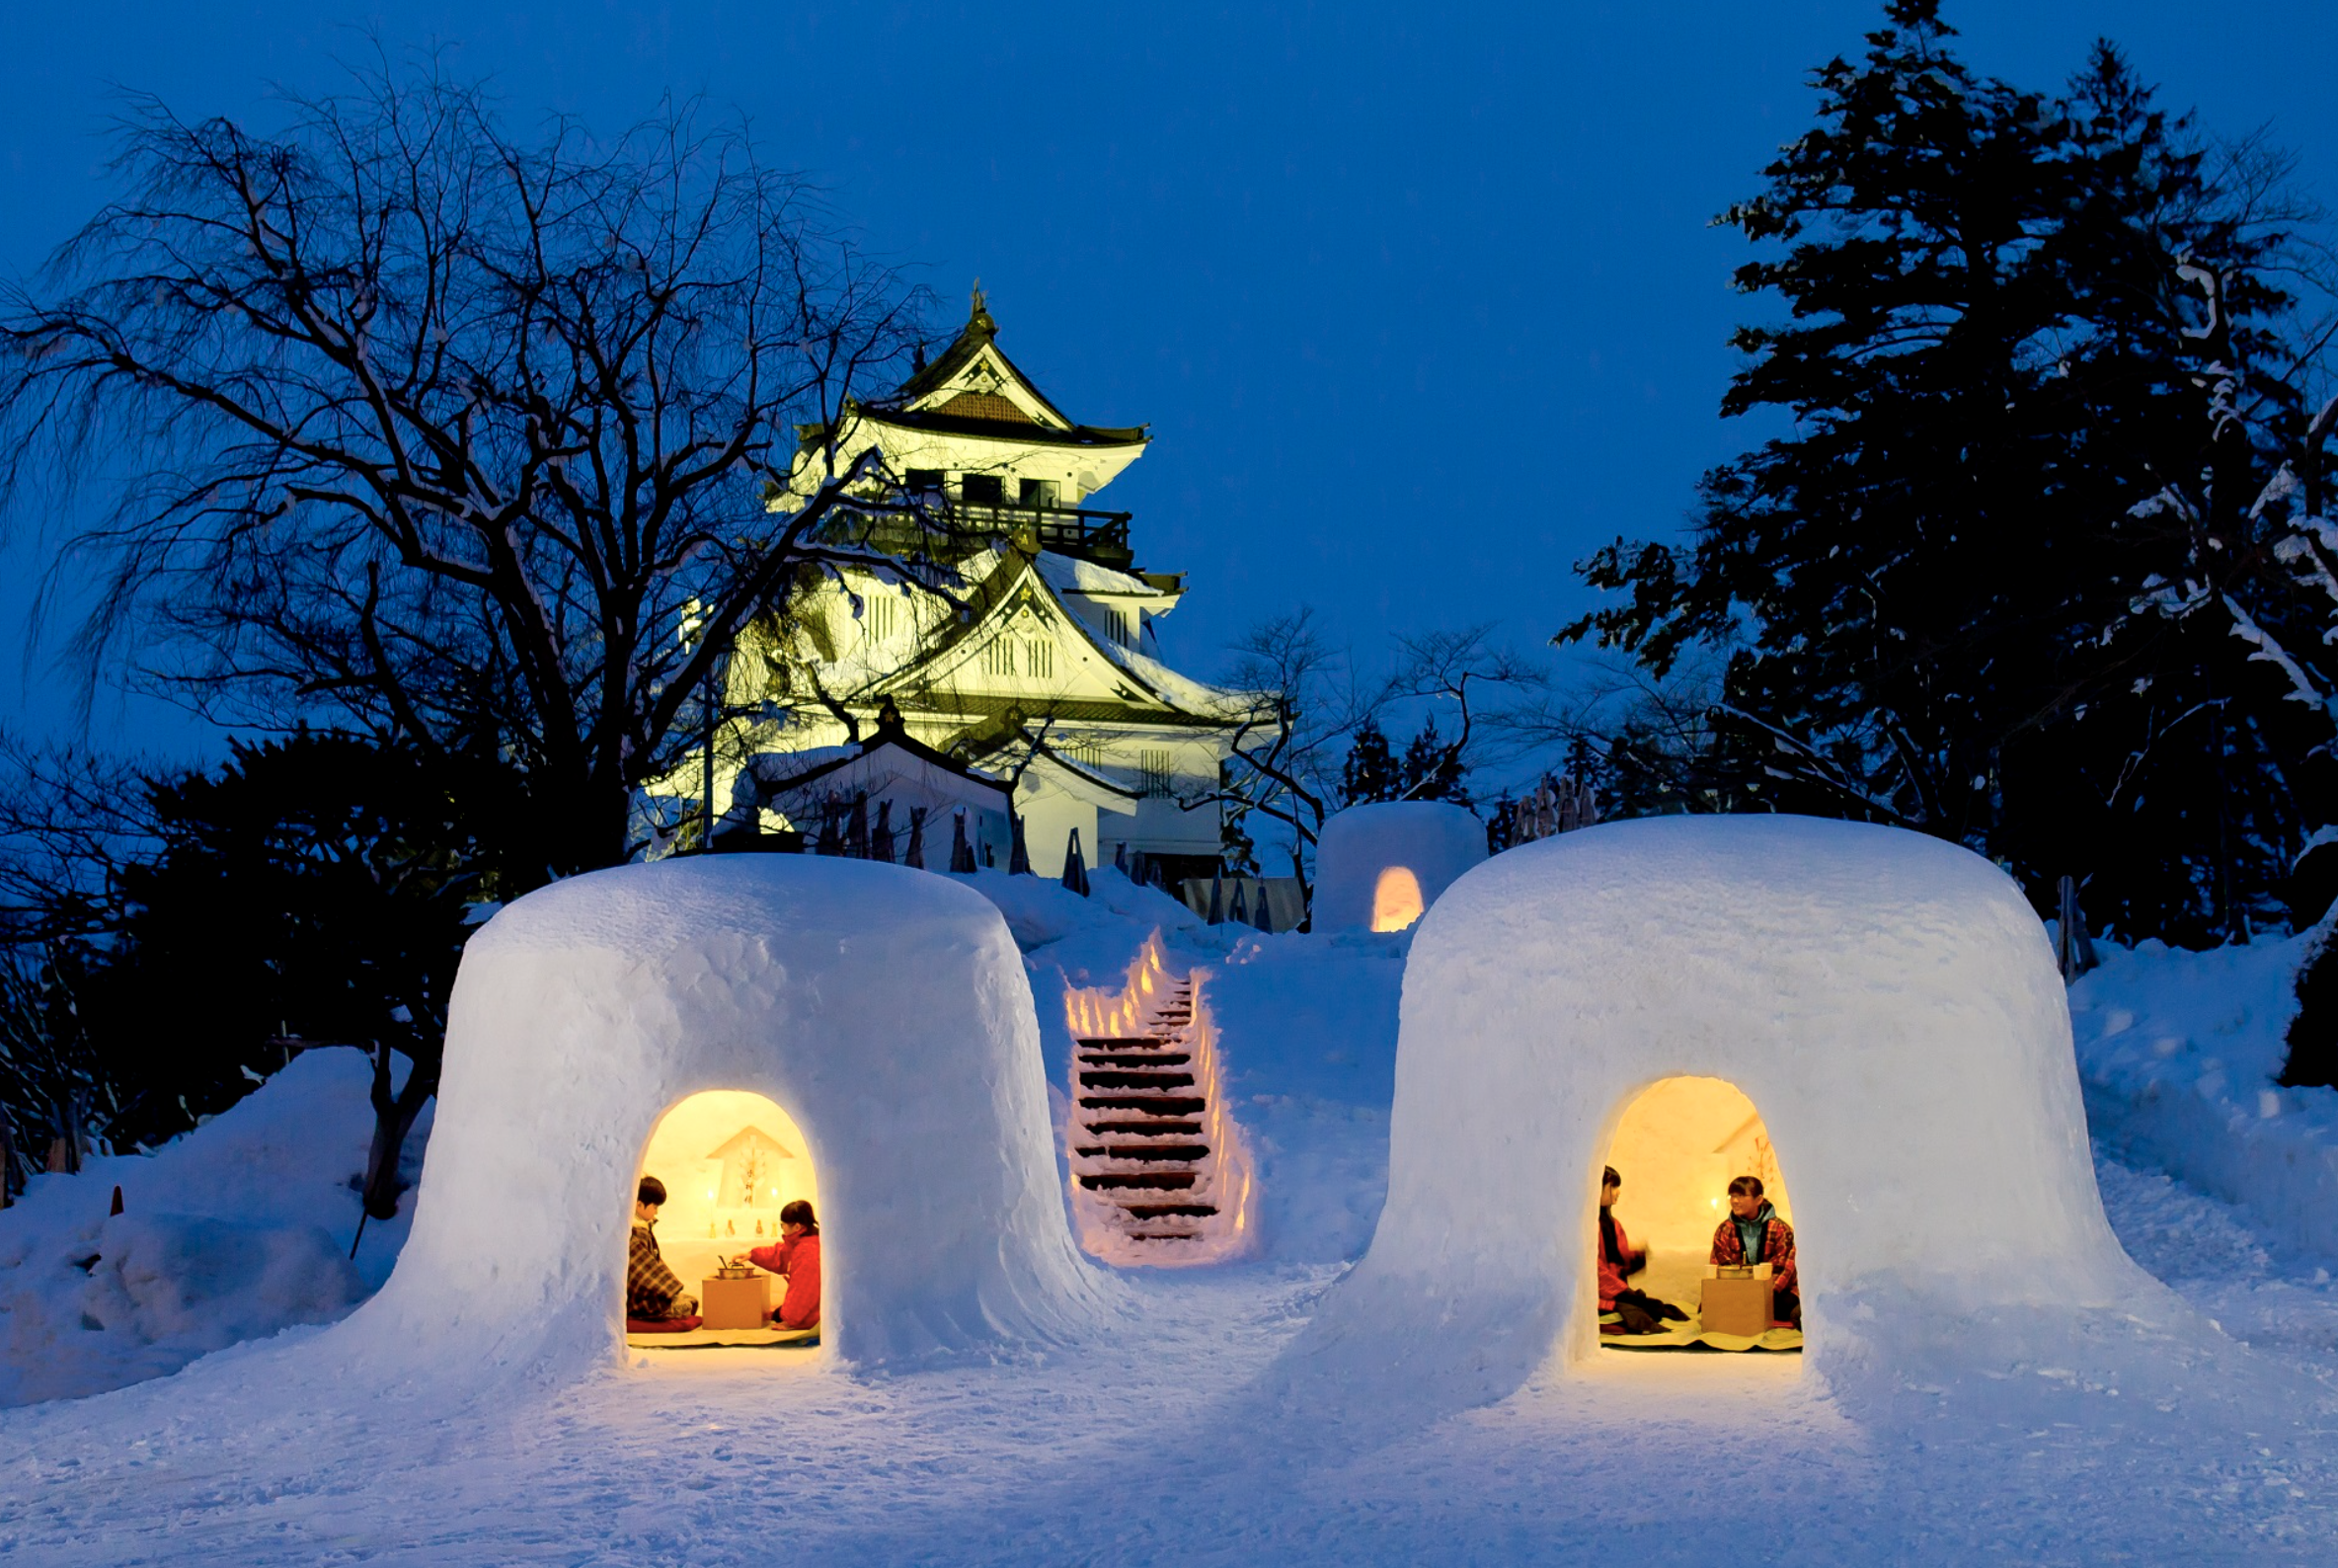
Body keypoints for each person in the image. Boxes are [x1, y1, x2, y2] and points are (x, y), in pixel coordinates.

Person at [1597, 1165, 1686, 1334]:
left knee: (1659, 1307)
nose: (1618, 1191)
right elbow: (1594, 1270)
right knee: (1635, 1313)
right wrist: (1623, 1292)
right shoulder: (1586, 1227)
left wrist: (1636, 1256)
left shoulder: (1614, 1224)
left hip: (1616, 1291)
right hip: (1599, 1296)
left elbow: (1620, 1262)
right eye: (1613, 1186)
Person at [1708, 1174, 1799, 1328]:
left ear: (1758, 1199)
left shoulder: (1780, 1229)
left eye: (1742, 1196)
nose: (1735, 1201)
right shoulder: (1725, 1229)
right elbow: (1719, 1262)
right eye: (1732, 1196)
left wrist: (1762, 1294)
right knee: (1710, 1306)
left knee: (1781, 1307)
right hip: (1738, 1291)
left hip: (1774, 1292)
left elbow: (1786, 1268)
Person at [627, 1175, 699, 1322]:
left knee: (690, 1301)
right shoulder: (633, 1233)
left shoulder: (643, 1228)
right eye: (655, 1207)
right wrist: (667, 1291)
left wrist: (671, 1291)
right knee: (683, 1306)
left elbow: (654, 1263)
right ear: (639, 1205)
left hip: (648, 1289)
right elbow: (642, 1269)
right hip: (637, 1296)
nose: (656, 1212)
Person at [745, 1198, 821, 1330]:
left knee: (777, 1316)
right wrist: (752, 1255)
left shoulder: (808, 1251)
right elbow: (781, 1255)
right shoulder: (803, 1242)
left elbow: (803, 1289)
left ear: (797, 1226)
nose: (782, 1228)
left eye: (783, 1225)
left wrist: (789, 1321)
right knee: (774, 1314)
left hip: (814, 1313)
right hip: (812, 1307)